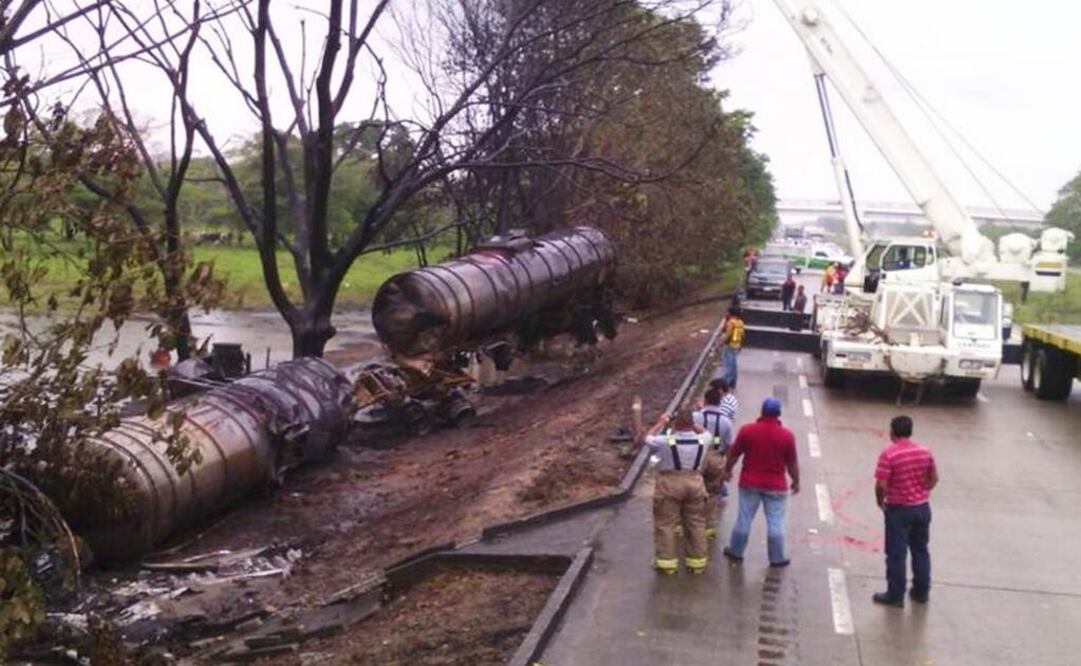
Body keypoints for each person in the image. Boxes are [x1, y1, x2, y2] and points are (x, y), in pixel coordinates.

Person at [722, 397, 800, 567]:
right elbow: (792, 462)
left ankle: (736, 551)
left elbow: (734, 454)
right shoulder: (787, 436)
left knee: (744, 519)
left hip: (749, 483)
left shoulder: (747, 431)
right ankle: (777, 558)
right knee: (775, 523)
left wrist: (727, 470)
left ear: (762, 412)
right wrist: (796, 481)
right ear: (778, 414)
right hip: (776, 486)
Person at [873, 415, 938, 607]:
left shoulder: (889, 454)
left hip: (899, 510)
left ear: (893, 432)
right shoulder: (925, 452)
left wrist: (880, 502)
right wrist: (922, 492)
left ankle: (895, 595)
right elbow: (934, 478)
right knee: (920, 550)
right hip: (922, 508)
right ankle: (921, 591)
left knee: (896, 554)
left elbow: (881, 485)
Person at [640, 409, 712, 574]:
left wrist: (661, 422)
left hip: (670, 484)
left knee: (665, 524)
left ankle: (667, 565)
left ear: (676, 423)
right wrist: (692, 424)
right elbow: (706, 432)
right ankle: (697, 563)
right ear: (692, 424)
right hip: (695, 483)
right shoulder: (703, 440)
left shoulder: (665, 441)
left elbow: (647, 439)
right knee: (696, 523)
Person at [694, 388, 735, 536]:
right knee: (712, 491)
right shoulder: (726, 422)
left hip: (697, 457)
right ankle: (708, 526)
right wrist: (728, 468)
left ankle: (688, 523)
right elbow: (730, 446)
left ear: (705, 400)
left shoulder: (696, 417)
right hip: (716, 457)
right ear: (720, 402)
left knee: (693, 491)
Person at [719, 306, 745, 390]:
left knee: (727, 365)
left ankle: (724, 384)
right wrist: (741, 344)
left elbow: (728, 334)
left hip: (729, 345)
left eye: (727, 312)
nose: (726, 314)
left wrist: (721, 342)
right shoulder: (740, 322)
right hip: (736, 345)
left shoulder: (731, 322)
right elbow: (743, 335)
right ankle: (733, 382)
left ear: (730, 313)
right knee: (733, 364)